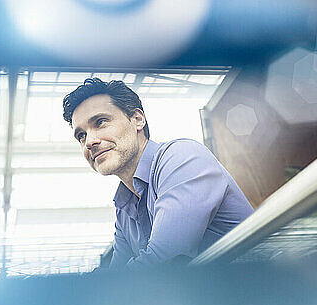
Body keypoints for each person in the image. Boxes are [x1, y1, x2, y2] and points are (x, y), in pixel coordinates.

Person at [63, 78, 253, 268]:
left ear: (137, 119)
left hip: (265, 285)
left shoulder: (182, 157)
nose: (89, 142)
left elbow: (163, 260)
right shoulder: (124, 207)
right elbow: (114, 275)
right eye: (81, 135)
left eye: (101, 122)